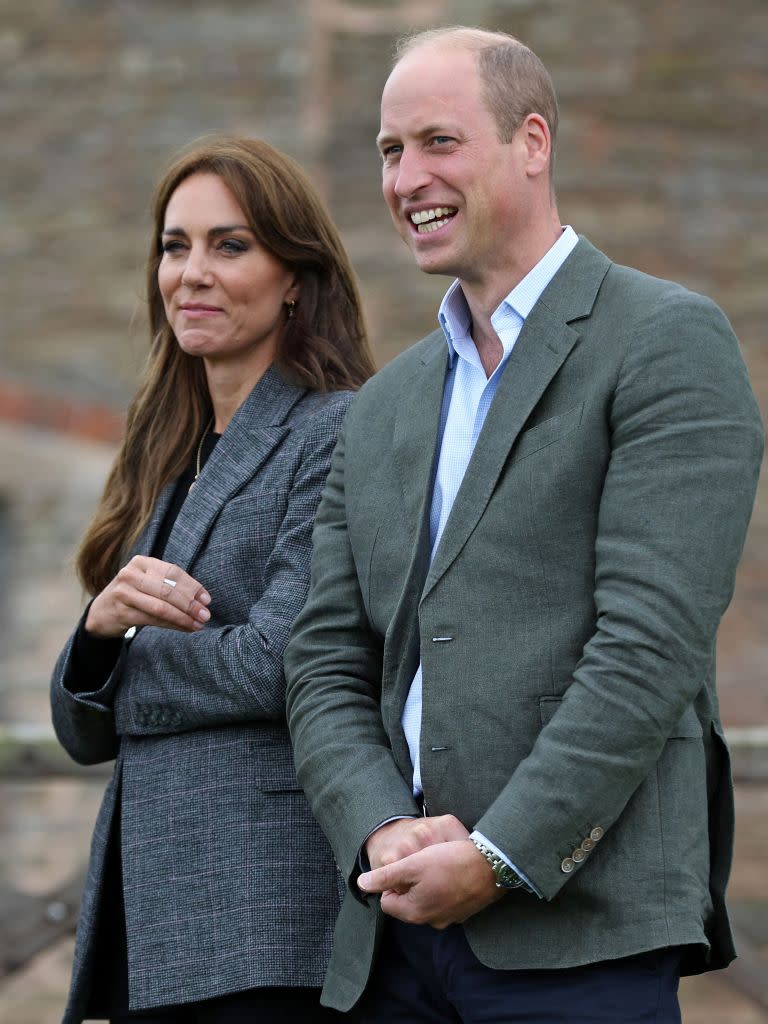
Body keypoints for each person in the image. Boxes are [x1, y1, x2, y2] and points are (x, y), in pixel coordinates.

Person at [284, 26, 764, 1024]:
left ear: (532, 141)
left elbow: (650, 646)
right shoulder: (386, 404)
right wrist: (379, 829)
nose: (407, 176)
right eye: (388, 150)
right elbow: (325, 657)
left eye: (437, 142)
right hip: (392, 946)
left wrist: (500, 855)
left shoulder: (666, 341)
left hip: (581, 934)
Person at [50, 134, 375, 1023]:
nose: (191, 271)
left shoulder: (336, 430)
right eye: (174, 245)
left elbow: (280, 661)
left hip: (263, 917)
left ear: (296, 278)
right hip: (149, 910)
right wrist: (95, 636)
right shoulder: (169, 454)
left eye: (229, 246)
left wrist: (125, 667)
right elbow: (80, 731)